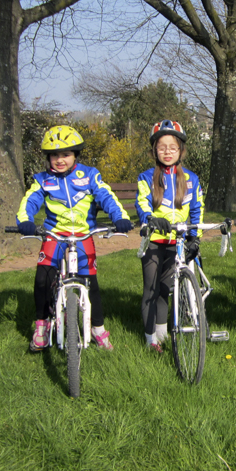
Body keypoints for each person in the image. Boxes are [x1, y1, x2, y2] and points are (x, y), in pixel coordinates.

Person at [17, 125, 133, 352]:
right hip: (54, 237)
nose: (60, 160)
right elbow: (30, 201)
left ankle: (97, 329)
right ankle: (41, 326)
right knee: (42, 280)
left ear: (75, 155)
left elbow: (106, 196)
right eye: (54, 155)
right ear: (48, 157)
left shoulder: (89, 174)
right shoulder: (42, 179)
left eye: (66, 154)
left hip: (83, 238)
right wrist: (25, 220)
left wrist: (119, 217)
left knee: (92, 285)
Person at [136, 120, 205, 353]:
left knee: (166, 290)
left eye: (172, 147)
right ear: (154, 150)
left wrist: (195, 237)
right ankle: (150, 339)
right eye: (162, 147)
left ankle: (163, 335)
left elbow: (197, 210)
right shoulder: (146, 177)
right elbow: (141, 205)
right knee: (151, 290)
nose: (167, 151)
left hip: (177, 241)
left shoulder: (191, 179)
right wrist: (150, 219)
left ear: (181, 151)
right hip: (154, 240)